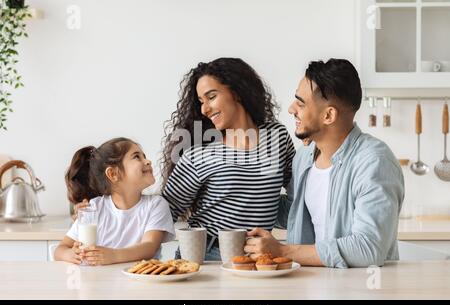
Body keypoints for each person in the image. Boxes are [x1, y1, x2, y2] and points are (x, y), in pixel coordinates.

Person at [244, 59, 404, 268]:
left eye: (301, 103)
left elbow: (368, 248)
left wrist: (282, 250)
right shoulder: (304, 157)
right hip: (315, 283)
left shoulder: (374, 162)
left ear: (328, 115)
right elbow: (294, 213)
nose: (292, 109)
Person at [161, 57, 295, 261]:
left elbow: (295, 199)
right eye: (201, 102)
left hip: (258, 257)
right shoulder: (199, 153)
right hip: (207, 256)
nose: (205, 109)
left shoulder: (277, 137)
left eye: (211, 97)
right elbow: (161, 214)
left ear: (236, 91)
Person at [55, 137, 175, 265]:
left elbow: (149, 247)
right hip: (99, 281)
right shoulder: (94, 208)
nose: (148, 161)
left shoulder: (156, 205)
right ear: (113, 174)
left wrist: (113, 255)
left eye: (144, 156)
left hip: (140, 282)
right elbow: (60, 250)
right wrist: (71, 254)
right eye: (137, 157)